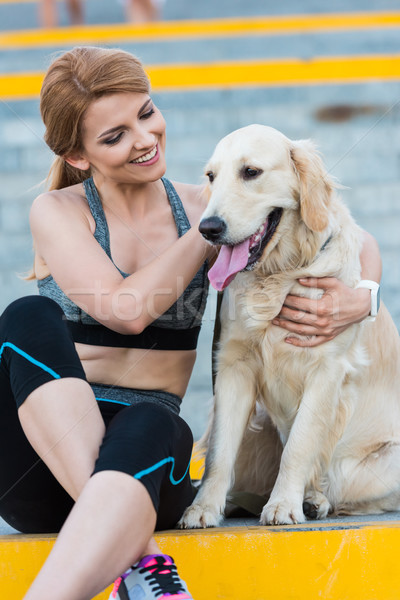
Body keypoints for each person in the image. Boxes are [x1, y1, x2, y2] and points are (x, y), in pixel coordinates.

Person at [0, 46, 381, 600]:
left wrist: (362, 296)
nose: (144, 138)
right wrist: (206, 231)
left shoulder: (209, 204)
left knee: (156, 423)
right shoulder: (62, 211)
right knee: (26, 315)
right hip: (38, 471)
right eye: (114, 136)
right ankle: (141, 554)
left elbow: (356, 236)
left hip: (149, 465)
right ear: (78, 156)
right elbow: (126, 312)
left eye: (146, 113)